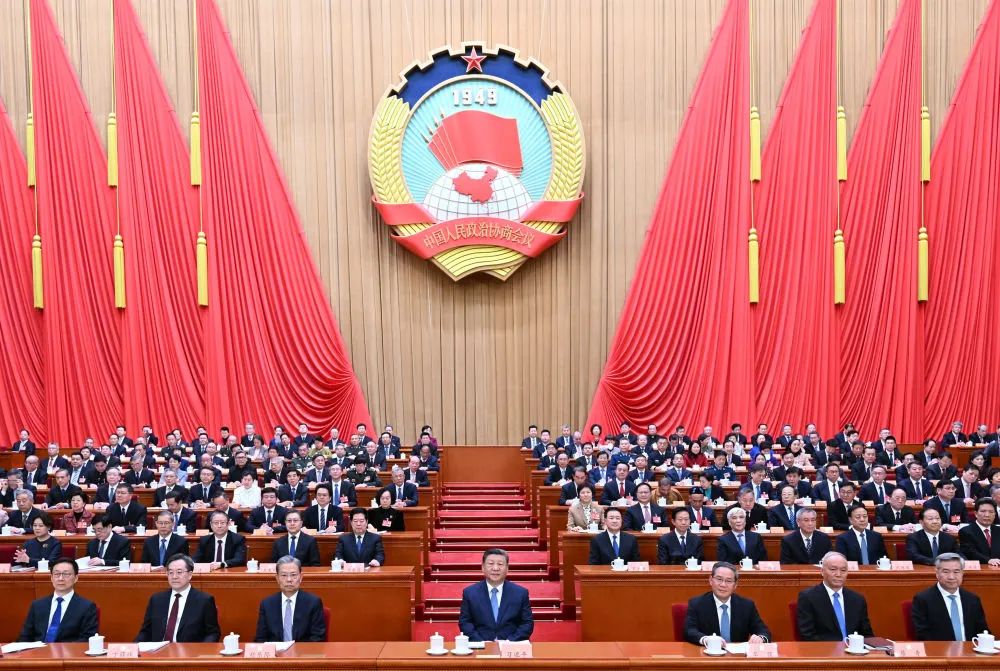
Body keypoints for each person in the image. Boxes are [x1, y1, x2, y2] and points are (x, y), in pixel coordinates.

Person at [135, 554, 221, 642]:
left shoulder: (204, 600)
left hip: (189, 649)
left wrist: (199, 648)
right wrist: (135, 646)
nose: (174, 576)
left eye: (179, 572)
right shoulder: (156, 599)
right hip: (159, 649)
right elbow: (146, 632)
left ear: (190, 575)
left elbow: (213, 633)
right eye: (170, 572)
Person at [684, 561, 771, 645]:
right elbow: (689, 631)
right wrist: (705, 639)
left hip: (738, 654)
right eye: (719, 579)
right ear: (711, 580)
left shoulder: (747, 605)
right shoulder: (697, 604)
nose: (723, 585)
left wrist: (760, 638)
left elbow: (763, 631)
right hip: (708, 652)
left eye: (728, 581)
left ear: (735, 585)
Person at [458, 548, 533, 641]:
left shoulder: (520, 593)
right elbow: (465, 623)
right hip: (480, 645)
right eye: (491, 563)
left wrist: (509, 642)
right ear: (483, 567)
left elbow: (527, 623)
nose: (495, 568)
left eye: (500, 564)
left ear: (507, 568)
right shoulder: (470, 593)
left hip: (511, 645)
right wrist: (481, 643)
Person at [910, 553, 990, 641]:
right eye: (946, 572)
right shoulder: (923, 599)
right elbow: (923, 635)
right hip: (939, 648)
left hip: (970, 648)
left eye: (956, 572)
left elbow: (982, 631)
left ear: (962, 573)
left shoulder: (972, 599)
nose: (951, 577)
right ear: (937, 573)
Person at [17, 557, 98, 642]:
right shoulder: (37, 605)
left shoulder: (87, 607)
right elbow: (25, 637)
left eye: (66, 574)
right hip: (39, 649)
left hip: (68, 650)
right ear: (51, 578)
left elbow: (86, 640)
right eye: (56, 574)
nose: (60, 578)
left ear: (76, 578)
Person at [796, 551, 874, 641]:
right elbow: (807, 636)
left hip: (854, 649)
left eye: (843, 570)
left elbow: (867, 634)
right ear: (822, 571)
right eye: (833, 569)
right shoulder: (808, 597)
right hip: (824, 649)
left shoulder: (857, 599)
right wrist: (836, 648)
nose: (838, 574)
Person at [254, 556, 326, 642]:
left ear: (301, 577)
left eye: (293, 575)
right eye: (284, 575)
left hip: (303, 650)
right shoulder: (267, 604)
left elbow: (318, 638)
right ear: (277, 578)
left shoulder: (313, 602)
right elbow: (261, 638)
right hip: (276, 650)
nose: (289, 580)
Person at [958, 498, 1000, 566]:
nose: (987, 515)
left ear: (995, 514)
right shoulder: (966, 531)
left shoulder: (998, 530)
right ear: (976, 513)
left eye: (991, 512)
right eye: (983, 511)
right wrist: (988, 560)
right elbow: (969, 552)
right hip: (979, 567)